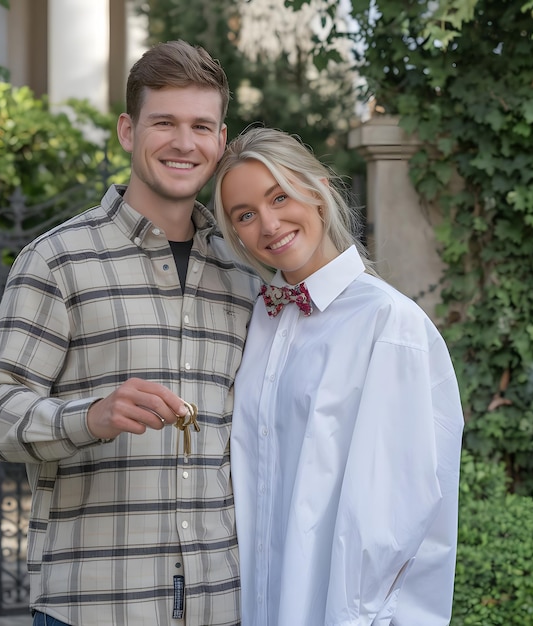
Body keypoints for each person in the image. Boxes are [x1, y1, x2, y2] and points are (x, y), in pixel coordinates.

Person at [0, 41, 260, 626]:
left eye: (202, 125)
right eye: (165, 123)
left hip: (224, 605)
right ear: (128, 130)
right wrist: (90, 417)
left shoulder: (245, 275)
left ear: (221, 142)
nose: (184, 142)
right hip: (93, 608)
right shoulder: (56, 261)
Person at [212, 127, 465, 625]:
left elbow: (395, 511)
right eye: (245, 215)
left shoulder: (388, 324)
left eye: (279, 196)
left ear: (319, 190)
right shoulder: (260, 319)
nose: (268, 224)